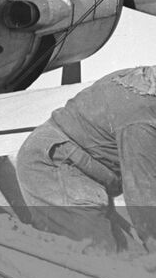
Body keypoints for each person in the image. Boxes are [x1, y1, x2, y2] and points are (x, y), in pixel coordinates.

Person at [15, 66, 156, 252]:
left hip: (80, 170)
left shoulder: (144, 82)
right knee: (105, 264)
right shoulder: (140, 114)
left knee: (128, 258)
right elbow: (142, 192)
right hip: (54, 166)